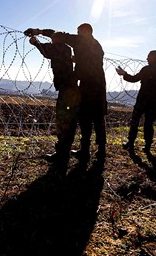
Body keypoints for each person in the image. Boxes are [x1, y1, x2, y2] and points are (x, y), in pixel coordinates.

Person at [25, 23, 107, 164]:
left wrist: (38, 31)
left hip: (87, 85)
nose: (76, 34)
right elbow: (89, 61)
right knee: (98, 117)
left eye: (78, 31)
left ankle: (79, 151)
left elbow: (59, 36)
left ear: (84, 31)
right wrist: (77, 60)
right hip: (99, 84)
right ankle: (99, 151)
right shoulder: (97, 45)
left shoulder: (82, 40)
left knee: (84, 117)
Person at [27, 32, 80, 168]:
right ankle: (64, 151)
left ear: (57, 40)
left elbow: (47, 52)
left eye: (53, 39)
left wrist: (36, 43)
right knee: (69, 120)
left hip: (67, 90)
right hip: (70, 89)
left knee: (63, 119)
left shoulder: (60, 48)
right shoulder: (67, 49)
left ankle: (61, 153)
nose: (51, 41)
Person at [116, 50, 156, 153]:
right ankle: (147, 146)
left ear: (154, 57)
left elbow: (134, 78)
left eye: (148, 56)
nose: (147, 58)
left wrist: (124, 74)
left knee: (135, 122)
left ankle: (130, 143)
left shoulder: (146, 69)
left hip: (142, 100)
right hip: (153, 102)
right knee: (149, 124)